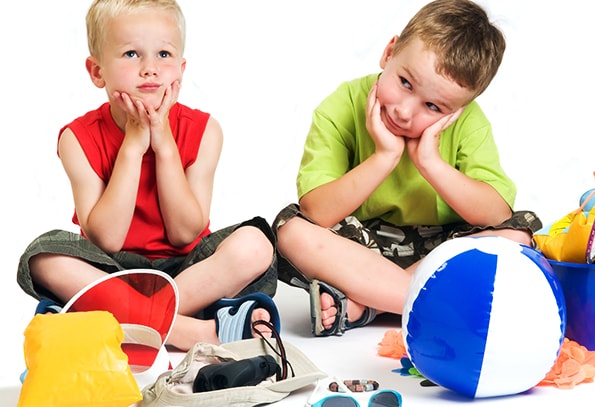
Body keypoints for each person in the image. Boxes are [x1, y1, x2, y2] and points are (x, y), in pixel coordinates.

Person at [16, 0, 279, 352]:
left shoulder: (205, 131)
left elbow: (185, 231)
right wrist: (133, 147)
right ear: (97, 72)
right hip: (112, 270)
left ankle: (121, 321)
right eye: (130, 54)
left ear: (181, 70)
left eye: (164, 55)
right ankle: (191, 331)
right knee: (45, 257)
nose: (150, 69)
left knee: (256, 245)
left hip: (190, 270)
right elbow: (107, 238)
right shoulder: (76, 138)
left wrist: (165, 146)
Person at [272, 0, 542, 337]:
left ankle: (370, 304)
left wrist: (430, 163)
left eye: (432, 106)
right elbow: (317, 212)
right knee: (291, 231)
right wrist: (383, 157)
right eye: (405, 83)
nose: (404, 112)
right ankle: (440, 308)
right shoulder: (341, 105)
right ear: (389, 53)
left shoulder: (471, 123)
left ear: (459, 109)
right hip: (360, 247)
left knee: (516, 236)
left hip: (438, 247)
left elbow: (496, 215)